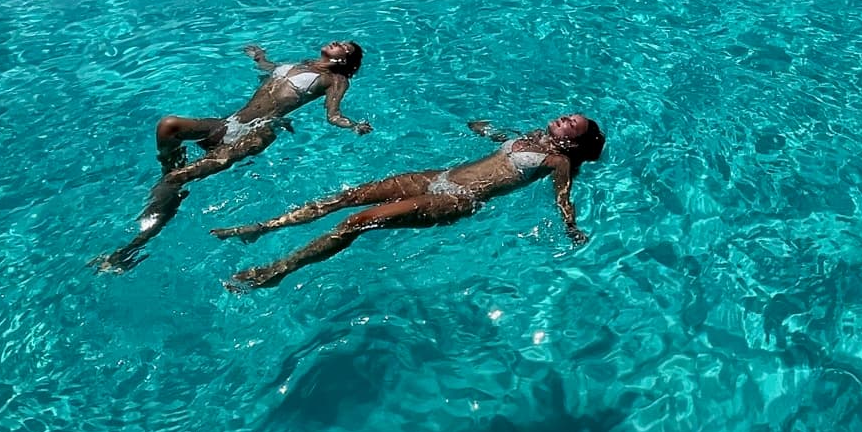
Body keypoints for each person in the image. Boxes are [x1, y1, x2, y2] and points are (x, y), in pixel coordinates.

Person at [213, 112, 606, 290]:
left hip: (459, 198)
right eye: (570, 114)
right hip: (438, 176)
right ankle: (263, 228)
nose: (567, 117)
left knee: (360, 221)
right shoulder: (533, 136)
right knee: (347, 198)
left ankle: (281, 268)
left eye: (575, 123)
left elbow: (562, 197)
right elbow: (495, 140)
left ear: (573, 141)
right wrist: (483, 127)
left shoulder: (558, 161)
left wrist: (570, 227)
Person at [96, 41, 370, 271]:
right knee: (168, 125)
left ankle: (131, 247)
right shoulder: (306, 63)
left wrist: (354, 125)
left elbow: (333, 115)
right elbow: (272, 72)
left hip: (256, 132)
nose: (336, 43)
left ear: (344, 59)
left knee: (173, 180)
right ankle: (170, 183)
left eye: (343, 46)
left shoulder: (335, 80)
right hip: (232, 121)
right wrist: (259, 57)